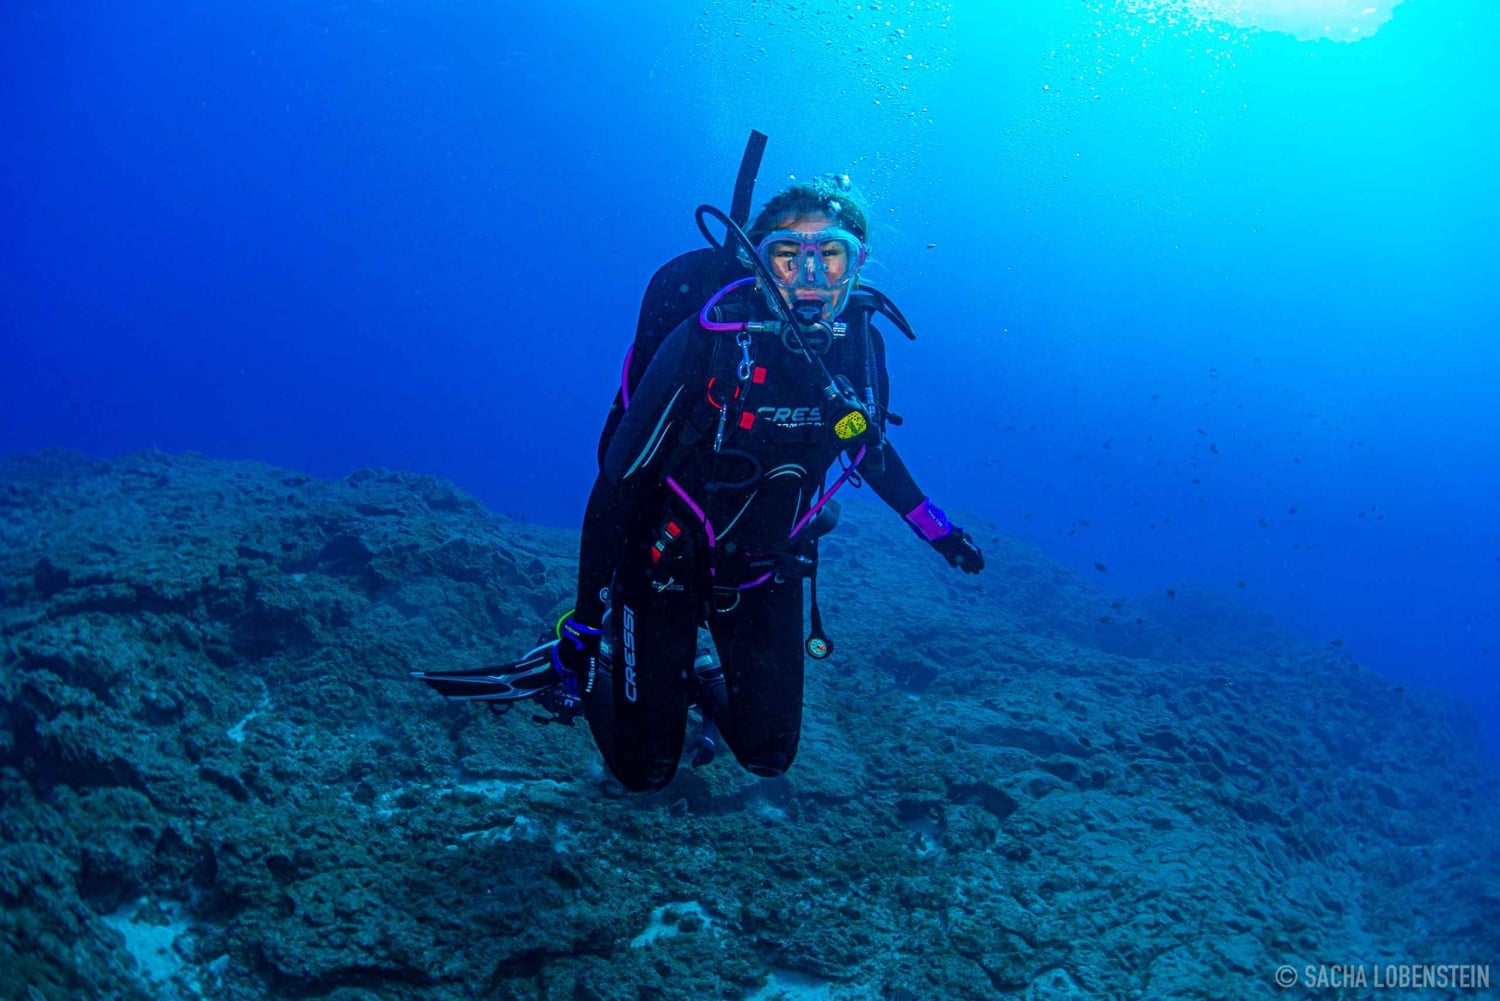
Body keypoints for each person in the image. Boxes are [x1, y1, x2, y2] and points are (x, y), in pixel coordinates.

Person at [418, 139, 983, 793]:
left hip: (763, 568)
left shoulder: (860, 346)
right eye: (787, 255)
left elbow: (866, 447)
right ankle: (602, 669)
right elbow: (616, 491)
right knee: (645, 770)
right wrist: (581, 620)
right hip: (663, 561)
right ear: (756, 260)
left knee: (769, 754)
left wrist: (938, 530)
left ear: (858, 265)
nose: (809, 279)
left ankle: (681, 678)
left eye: (831, 255)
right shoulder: (707, 343)